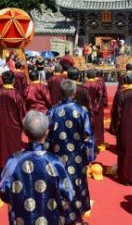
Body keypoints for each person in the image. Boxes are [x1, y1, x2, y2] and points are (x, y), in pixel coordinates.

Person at [0, 110, 74, 224]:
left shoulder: (13, 161)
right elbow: (68, 193)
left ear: (24, 132)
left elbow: (3, 192)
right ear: (46, 133)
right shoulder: (55, 162)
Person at [46, 79, 95, 224]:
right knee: (77, 185)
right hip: (77, 157)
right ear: (74, 92)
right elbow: (88, 138)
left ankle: (61, 217)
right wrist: (89, 157)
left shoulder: (52, 111)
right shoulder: (81, 111)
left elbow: (47, 137)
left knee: (59, 186)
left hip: (57, 157)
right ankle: (76, 219)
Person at [0, 71, 26, 171]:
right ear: (13, 80)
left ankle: (2, 167)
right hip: (15, 127)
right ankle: (14, 168)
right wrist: (24, 126)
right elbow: (22, 113)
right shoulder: (16, 95)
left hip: (1, 125)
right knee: (14, 148)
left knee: (3, 148)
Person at [83, 69, 105, 148]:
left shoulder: (84, 85)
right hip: (96, 108)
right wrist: (96, 107)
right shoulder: (98, 85)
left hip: (86, 108)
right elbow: (100, 97)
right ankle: (97, 141)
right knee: (97, 125)